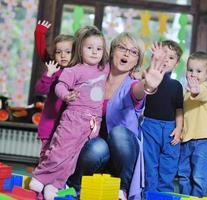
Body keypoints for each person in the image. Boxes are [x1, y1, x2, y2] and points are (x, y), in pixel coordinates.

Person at [67, 33, 167, 200]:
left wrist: (148, 85)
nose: (127, 54)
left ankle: (122, 189)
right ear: (112, 51)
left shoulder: (133, 84)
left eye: (133, 52)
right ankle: (74, 187)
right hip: (95, 150)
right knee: (98, 146)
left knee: (119, 132)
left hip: (124, 155)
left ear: (137, 61)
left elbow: (139, 91)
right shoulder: (94, 78)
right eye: (122, 48)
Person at [29, 26, 110, 200]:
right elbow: (55, 86)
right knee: (56, 153)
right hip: (66, 119)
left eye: (99, 49)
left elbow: (118, 69)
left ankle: (55, 185)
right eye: (90, 48)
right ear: (81, 49)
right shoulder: (70, 70)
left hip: (91, 122)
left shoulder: (104, 68)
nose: (95, 52)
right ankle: (40, 178)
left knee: (71, 158)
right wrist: (66, 94)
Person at [141, 40, 183, 194]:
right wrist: (154, 62)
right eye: (163, 55)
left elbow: (179, 110)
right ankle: (149, 193)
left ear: (177, 63)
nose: (166, 59)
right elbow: (142, 79)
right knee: (149, 162)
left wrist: (179, 128)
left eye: (171, 58)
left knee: (169, 163)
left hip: (170, 128)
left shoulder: (176, 86)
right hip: (149, 126)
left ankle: (163, 194)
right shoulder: (149, 76)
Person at [34, 20, 75, 163]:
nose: (63, 55)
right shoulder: (54, 69)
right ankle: (40, 181)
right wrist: (48, 75)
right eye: (59, 52)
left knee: (62, 159)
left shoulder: (78, 71)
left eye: (68, 52)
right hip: (50, 124)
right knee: (46, 157)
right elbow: (40, 89)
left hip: (68, 127)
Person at [177, 51, 207, 197]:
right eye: (190, 70)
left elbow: (202, 95)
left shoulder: (205, 88)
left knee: (199, 176)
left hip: (203, 140)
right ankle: (185, 197)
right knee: (183, 174)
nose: (193, 74)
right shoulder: (186, 92)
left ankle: (197, 198)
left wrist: (195, 91)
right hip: (186, 139)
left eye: (199, 71)